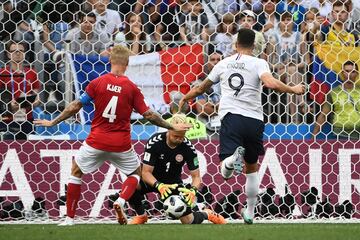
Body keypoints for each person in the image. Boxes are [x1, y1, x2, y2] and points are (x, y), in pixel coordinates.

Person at [34, 45, 191, 226]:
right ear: (127, 63)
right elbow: (149, 115)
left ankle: (69, 219)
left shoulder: (97, 83)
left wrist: (53, 122)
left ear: (110, 61)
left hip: (96, 141)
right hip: (121, 144)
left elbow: (75, 105)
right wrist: (170, 126)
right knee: (135, 174)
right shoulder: (131, 88)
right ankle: (122, 200)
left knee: (76, 171)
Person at [179, 28, 305, 224]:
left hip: (231, 117)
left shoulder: (224, 63)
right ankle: (250, 212)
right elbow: (271, 84)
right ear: (254, 46)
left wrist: (187, 97)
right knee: (252, 168)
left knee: (225, 171)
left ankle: (230, 162)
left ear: (235, 45)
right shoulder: (259, 62)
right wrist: (293, 89)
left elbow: (203, 87)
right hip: (254, 120)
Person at [128, 113, 226, 225]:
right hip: (152, 180)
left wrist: (193, 190)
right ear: (168, 130)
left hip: (172, 184)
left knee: (189, 221)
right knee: (132, 183)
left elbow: (196, 176)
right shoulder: (154, 142)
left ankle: (206, 214)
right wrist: (159, 186)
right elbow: (145, 173)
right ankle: (141, 216)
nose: (179, 139)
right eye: (176, 136)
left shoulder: (188, 147)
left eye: (182, 136)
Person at [0, 41, 40, 140]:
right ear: (8, 54)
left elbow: (36, 95)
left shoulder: (32, 73)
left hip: (27, 119)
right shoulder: (2, 73)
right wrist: (9, 106)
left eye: (21, 51)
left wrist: (35, 102)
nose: (18, 53)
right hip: (7, 119)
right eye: (14, 51)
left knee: (29, 150)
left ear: (25, 53)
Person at [312, 61, 360, 140]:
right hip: (341, 134)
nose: (349, 74)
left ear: (357, 73)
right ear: (342, 73)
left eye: (353, 71)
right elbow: (323, 115)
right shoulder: (334, 93)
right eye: (347, 71)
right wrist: (313, 137)